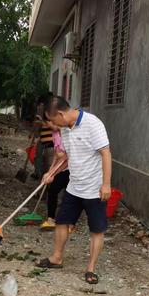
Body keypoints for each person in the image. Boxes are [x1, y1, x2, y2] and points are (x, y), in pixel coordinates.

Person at [37, 96, 112, 284]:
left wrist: (106, 184)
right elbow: (69, 158)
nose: (53, 125)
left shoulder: (93, 124)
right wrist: (52, 172)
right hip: (74, 187)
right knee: (62, 221)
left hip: (94, 189)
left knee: (96, 229)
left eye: (53, 120)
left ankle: (91, 269)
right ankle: (56, 258)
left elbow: (106, 153)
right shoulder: (65, 129)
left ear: (61, 114)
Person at [40, 122, 70, 231]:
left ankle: (69, 222)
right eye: (48, 124)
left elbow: (67, 158)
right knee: (52, 191)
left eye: (52, 123)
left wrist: (53, 173)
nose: (50, 126)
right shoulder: (55, 134)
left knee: (71, 196)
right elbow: (57, 155)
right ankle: (51, 219)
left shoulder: (68, 133)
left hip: (72, 170)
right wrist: (50, 171)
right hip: (61, 169)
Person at [32, 93, 55, 180]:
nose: (39, 107)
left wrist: (42, 121)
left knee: (48, 170)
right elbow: (40, 129)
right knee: (43, 167)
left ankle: (46, 191)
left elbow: (55, 127)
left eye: (40, 105)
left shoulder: (51, 113)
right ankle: (42, 189)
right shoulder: (43, 114)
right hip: (45, 144)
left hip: (51, 145)